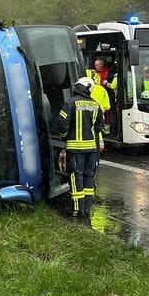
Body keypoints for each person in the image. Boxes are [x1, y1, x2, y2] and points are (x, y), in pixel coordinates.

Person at [57, 77, 104, 218]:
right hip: (91, 148)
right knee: (89, 177)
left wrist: (64, 136)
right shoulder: (95, 105)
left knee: (75, 177)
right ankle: (87, 209)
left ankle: (78, 211)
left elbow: (61, 122)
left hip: (75, 149)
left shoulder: (70, 103)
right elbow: (99, 127)